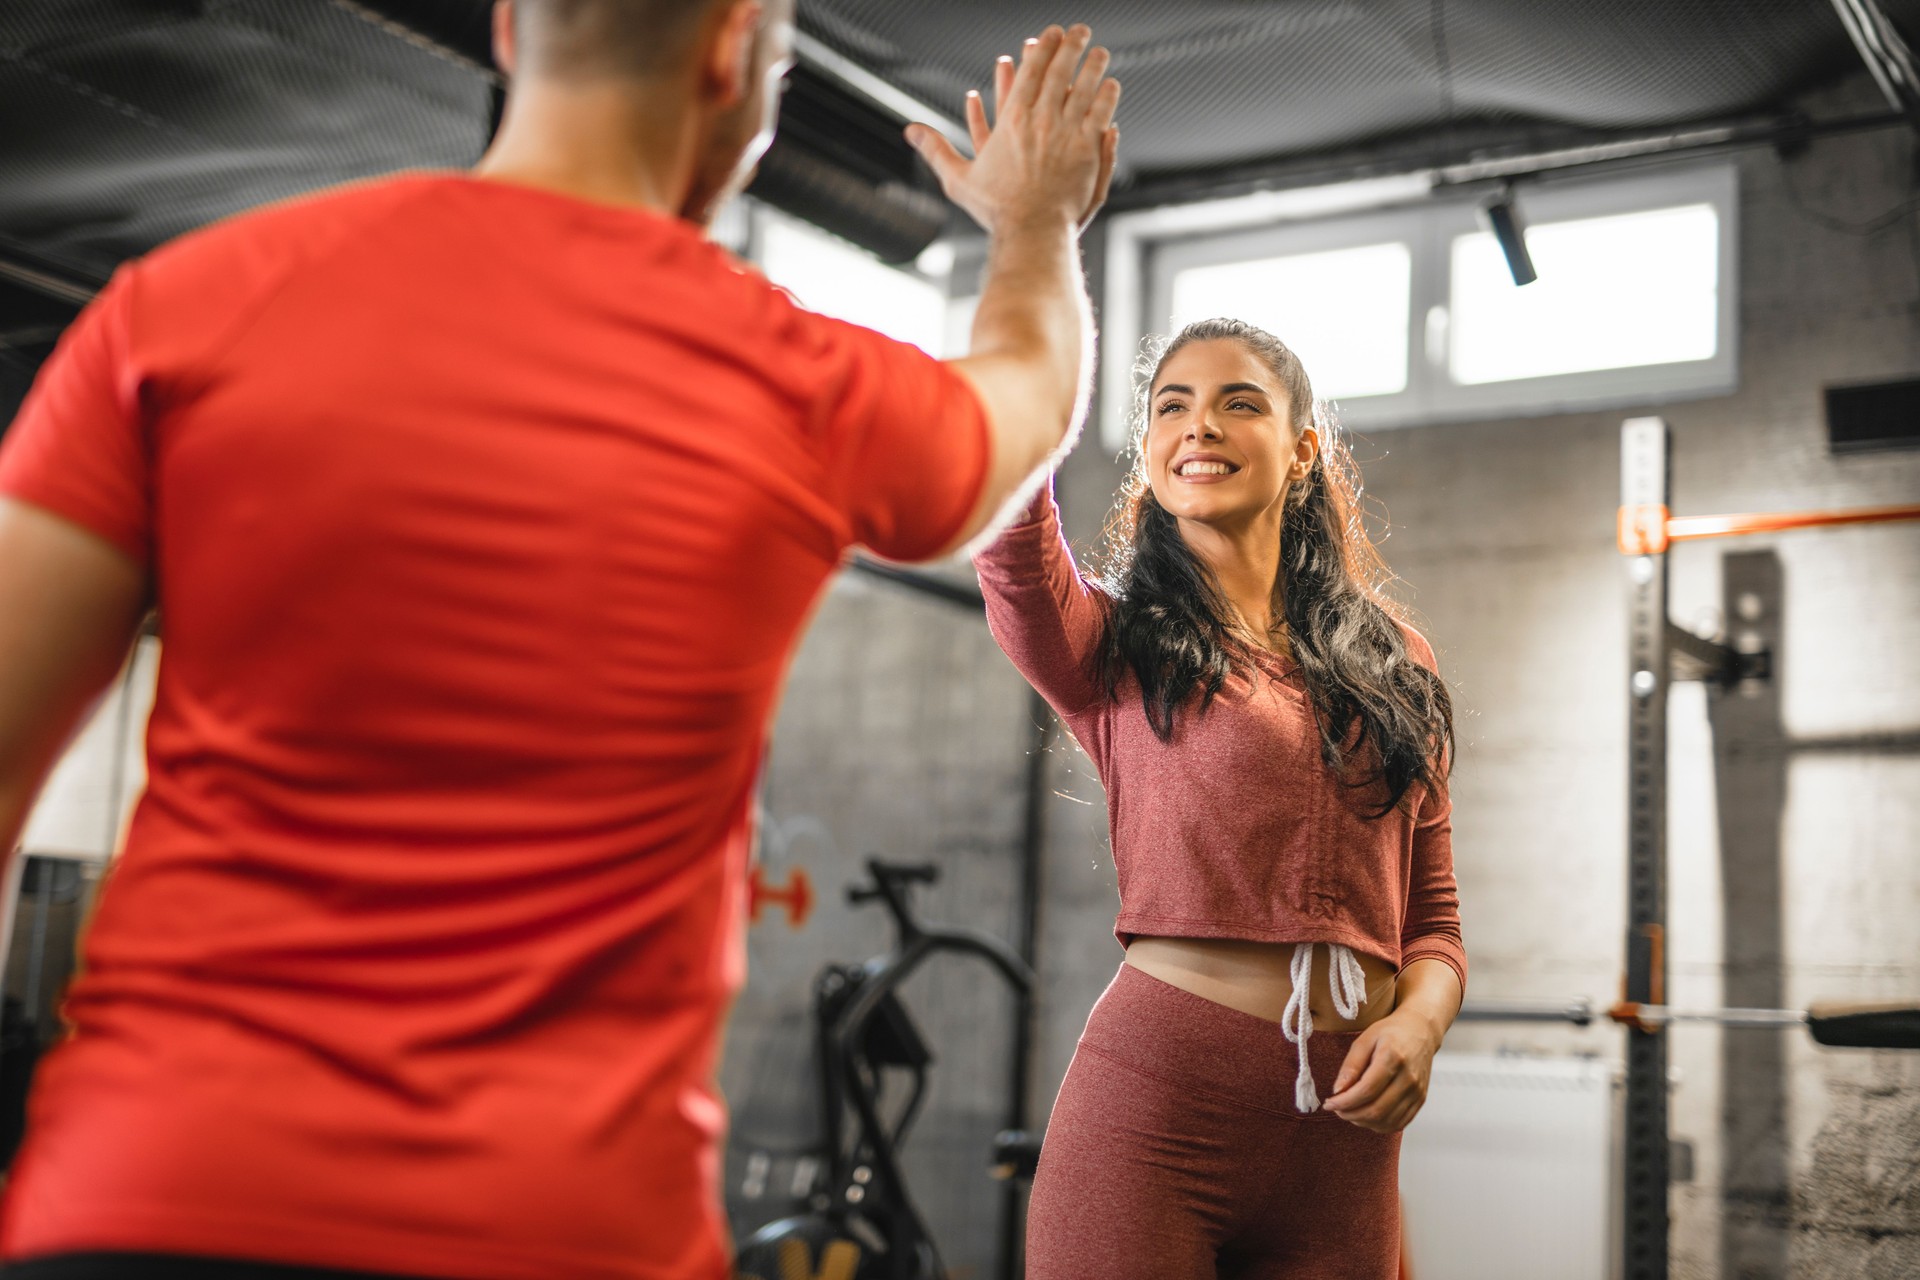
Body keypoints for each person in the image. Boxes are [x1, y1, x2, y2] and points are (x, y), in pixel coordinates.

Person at [0, 1, 1118, 1274]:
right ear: (732, 50)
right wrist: (1035, 223)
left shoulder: (182, 308)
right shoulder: (797, 381)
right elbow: (1029, 392)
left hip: (149, 1198)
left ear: (511, 32)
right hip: (557, 1230)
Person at [973, 318, 1468, 1279]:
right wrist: (1027, 291)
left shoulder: (1397, 662)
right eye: (1172, 406)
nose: (1200, 426)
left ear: (1302, 451)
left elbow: (1435, 924)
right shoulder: (1115, 646)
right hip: (1158, 1107)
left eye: (1239, 403)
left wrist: (1417, 1022)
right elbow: (1015, 552)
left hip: (1345, 1137)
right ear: (1150, 454)